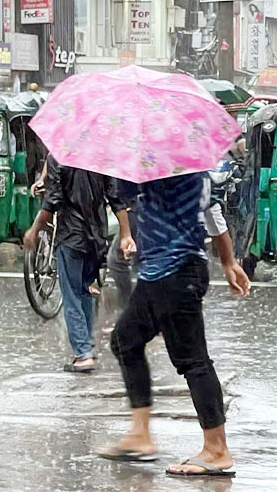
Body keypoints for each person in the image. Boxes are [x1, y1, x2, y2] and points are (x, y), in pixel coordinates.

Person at [99, 172, 250, 478]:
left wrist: (229, 261)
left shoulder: (158, 166)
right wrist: (228, 261)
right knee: (125, 340)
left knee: (193, 359)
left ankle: (217, 449)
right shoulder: (188, 165)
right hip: (158, 274)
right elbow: (213, 212)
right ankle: (140, 434)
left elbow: (124, 191)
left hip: (175, 272)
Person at [23, 155, 132, 373]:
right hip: (97, 236)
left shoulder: (59, 157)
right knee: (84, 290)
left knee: (72, 294)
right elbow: (116, 197)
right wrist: (125, 234)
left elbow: (52, 201)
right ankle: (87, 344)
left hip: (71, 236)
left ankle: (82, 354)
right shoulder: (101, 156)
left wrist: (34, 230)